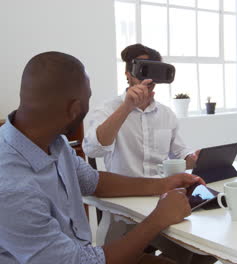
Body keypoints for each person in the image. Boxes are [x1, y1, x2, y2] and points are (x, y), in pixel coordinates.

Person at [0, 51, 207, 264]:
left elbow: (94, 181)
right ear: (74, 109)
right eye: (88, 97)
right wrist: (157, 220)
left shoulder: (54, 142)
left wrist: (164, 184)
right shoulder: (12, 188)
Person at [83, 43, 198, 178]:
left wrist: (195, 158)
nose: (149, 78)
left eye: (154, 71)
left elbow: (180, 153)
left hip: (160, 189)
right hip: (125, 192)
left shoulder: (166, 114)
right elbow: (92, 150)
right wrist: (127, 107)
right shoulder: (107, 109)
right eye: (144, 71)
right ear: (128, 75)